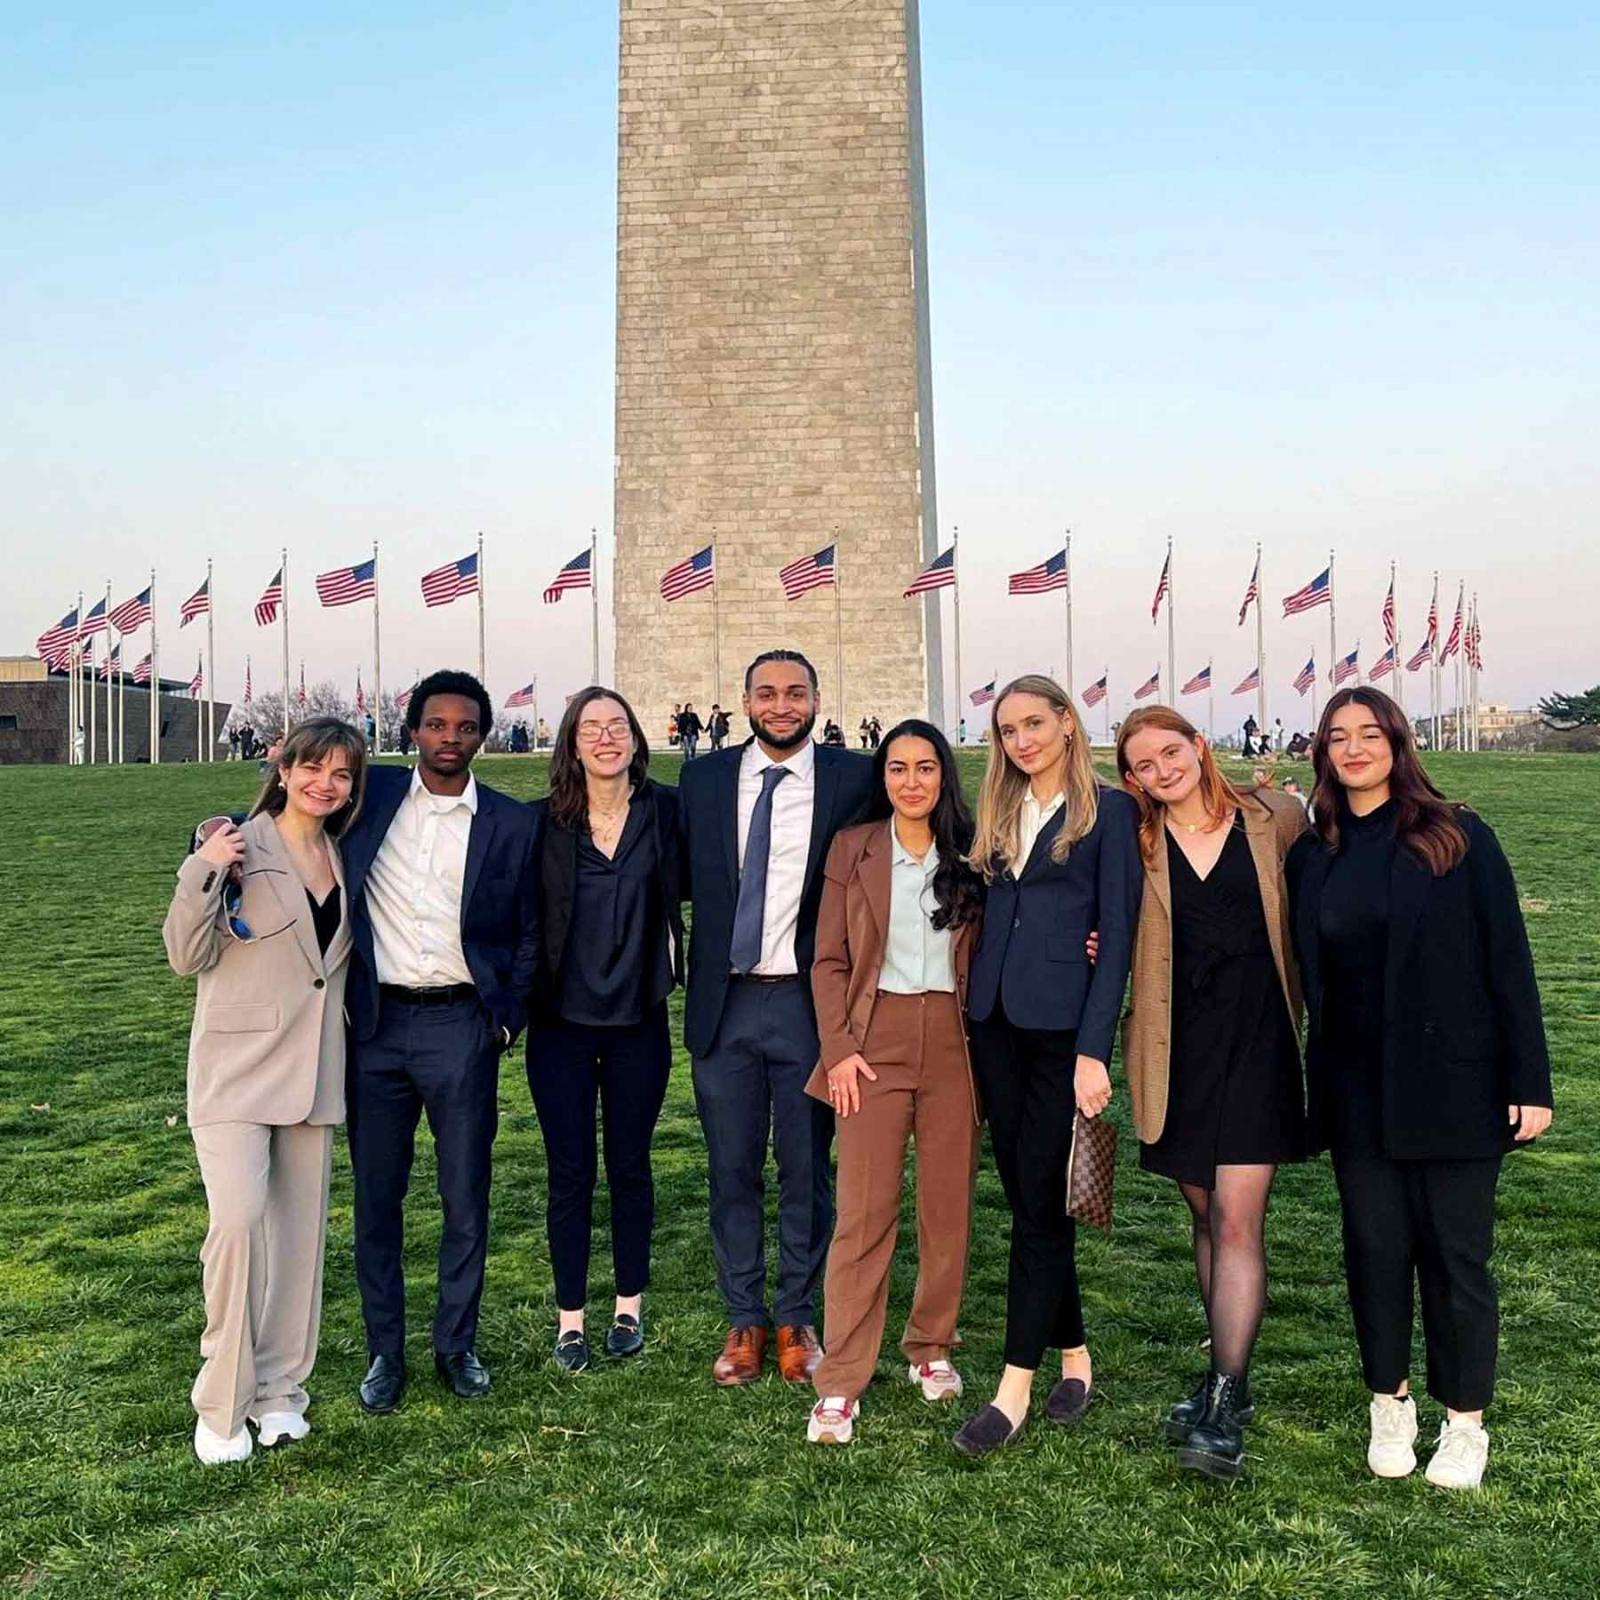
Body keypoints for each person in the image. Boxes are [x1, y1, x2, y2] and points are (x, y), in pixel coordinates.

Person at [1286, 687, 1553, 1490]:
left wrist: (1530, 1081)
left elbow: (1509, 959)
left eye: (1370, 734)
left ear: (1398, 743)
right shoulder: (1314, 852)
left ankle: (1465, 1422)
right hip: (1356, 1090)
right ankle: (1389, 1403)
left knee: (1455, 1258)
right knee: (1374, 1251)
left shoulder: (1457, 834)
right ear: (1323, 752)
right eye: (1338, 736)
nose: (1354, 748)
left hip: (1456, 1086)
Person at [164, 717, 366, 1463]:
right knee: (239, 1224)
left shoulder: (347, 854)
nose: (325, 784)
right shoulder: (236, 844)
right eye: (312, 768)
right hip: (234, 1071)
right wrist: (203, 867)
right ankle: (222, 1402)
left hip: (314, 1073)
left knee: (298, 1243)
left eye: (341, 773)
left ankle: (281, 1391)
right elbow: (184, 955)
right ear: (283, 770)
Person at [1116, 706, 1310, 1478]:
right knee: (1203, 1215)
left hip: (1259, 1043)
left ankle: (1226, 1402)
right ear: (1132, 778)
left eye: (1172, 752)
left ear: (1199, 747)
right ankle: (1225, 1377)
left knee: (1236, 1221)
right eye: (1145, 764)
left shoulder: (1274, 819)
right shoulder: (1135, 842)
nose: (1163, 770)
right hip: (1176, 1051)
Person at [339, 669, 539, 1413]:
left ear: (482, 736)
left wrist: (507, 1016)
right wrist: (211, 828)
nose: (450, 738)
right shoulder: (371, 798)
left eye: (465, 727)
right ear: (413, 730)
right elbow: (287, 805)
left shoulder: (510, 822)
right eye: (436, 724)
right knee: (376, 1198)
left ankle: (457, 1345)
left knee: (465, 1195)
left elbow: (531, 931)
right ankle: (384, 1352)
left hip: (462, 1026)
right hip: (377, 1027)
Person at [952, 674, 1140, 1457]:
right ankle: (1076, 1357)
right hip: (994, 1023)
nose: (1022, 740)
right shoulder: (998, 808)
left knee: (1040, 1209)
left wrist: (1095, 1049)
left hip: (1064, 1032)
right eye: (1008, 730)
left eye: (1034, 723)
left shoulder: (1110, 811)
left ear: (1067, 722)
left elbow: (1117, 935)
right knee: (1033, 1197)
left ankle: (1013, 1389)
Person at [678, 649, 875, 1386]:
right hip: (724, 1002)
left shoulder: (854, 779)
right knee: (731, 1167)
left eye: (796, 692)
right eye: (767, 693)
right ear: (745, 702)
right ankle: (744, 1318)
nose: (782, 705)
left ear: (817, 700)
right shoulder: (702, 779)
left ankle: (795, 1314)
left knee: (805, 1166)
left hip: (807, 1002)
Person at [803, 721, 985, 1445]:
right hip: (872, 1043)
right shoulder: (854, 848)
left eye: (926, 767)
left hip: (953, 1044)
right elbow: (828, 960)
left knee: (947, 1207)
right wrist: (840, 1050)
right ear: (882, 777)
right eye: (899, 768)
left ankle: (931, 1345)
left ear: (944, 777)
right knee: (863, 1211)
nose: (913, 781)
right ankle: (841, 1379)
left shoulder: (972, 851)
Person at [526, 687, 683, 1372]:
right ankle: (570, 1320)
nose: (606, 737)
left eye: (618, 725)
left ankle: (628, 1306)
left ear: (636, 739)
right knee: (569, 1172)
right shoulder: (541, 824)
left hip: (638, 1020)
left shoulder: (668, 813)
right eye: (590, 728)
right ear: (572, 743)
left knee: (629, 1165)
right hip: (560, 1025)